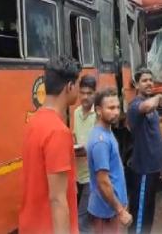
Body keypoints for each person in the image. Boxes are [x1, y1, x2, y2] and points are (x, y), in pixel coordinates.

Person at [19, 56, 81, 234]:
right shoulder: (58, 131)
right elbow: (57, 199)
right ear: (69, 86)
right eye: (77, 84)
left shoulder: (34, 121)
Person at [127, 68, 162, 234]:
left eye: (151, 80)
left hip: (153, 169)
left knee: (148, 213)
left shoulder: (152, 108)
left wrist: (161, 164)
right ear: (136, 84)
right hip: (143, 170)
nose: (149, 83)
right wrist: (158, 97)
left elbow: (155, 137)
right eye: (144, 80)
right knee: (140, 218)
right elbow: (145, 106)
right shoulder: (135, 105)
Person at [86, 88, 132, 233]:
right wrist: (120, 210)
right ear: (99, 110)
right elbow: (103, 181)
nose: (116, 112)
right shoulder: (102, 141)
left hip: (109, 210)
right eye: (111, 108)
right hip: (105, 212)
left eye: (118, 107)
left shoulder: (106, 131)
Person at [73, 75, 97, 233]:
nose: (85, 97)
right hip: (77, 175)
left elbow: (102, 146)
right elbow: (75, 135)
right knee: (79, 218)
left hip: (92, 176)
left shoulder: (100, 115)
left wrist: (86, 150)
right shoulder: (75, 113)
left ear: (95, 93)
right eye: (82, 93)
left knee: (83, 221)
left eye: (89, 93)